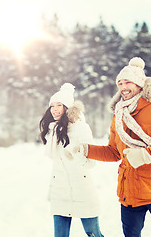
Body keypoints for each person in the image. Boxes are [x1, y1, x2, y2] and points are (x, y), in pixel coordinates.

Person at [72, 57, 151, 237]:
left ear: (140, 84)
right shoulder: (118, 115)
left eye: (128, 82)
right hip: (130, 191)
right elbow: (114, 152)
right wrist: (86, 149)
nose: (123, 87)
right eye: (120, 83)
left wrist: (145, 155)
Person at [39, 83, 104, 237]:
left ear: (67, 107)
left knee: (93, 234)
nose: (54, 109)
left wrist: (77, 152)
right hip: (60, 190)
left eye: (59, 105)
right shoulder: (51, 131)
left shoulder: (81, 128)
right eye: (52, 106)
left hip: (82, 188)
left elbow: (91, 162)